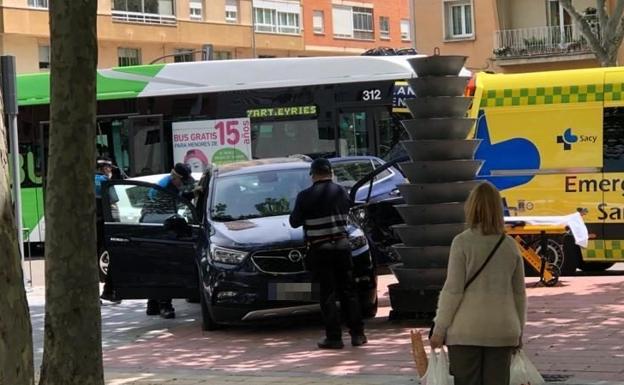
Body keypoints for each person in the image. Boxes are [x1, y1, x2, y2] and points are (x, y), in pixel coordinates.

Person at [429, 182, 527, 385]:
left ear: (471, 208)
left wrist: (439, 329)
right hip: (503, 330)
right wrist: (519, 331)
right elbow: (519, 294)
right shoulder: (510, 246)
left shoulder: (462, 242)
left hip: (465, 332)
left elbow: (453, 290)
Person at [289, 158, 367, 349]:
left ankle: (334, 337)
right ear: (331, 173)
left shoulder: (304, 196)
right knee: (348, 291)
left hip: (319, 249)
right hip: (342, 246)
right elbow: (349, 210)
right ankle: (358, 334)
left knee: (327, 294)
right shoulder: (341, 192)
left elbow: (294, 222)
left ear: (312, 174)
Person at [146, 163, 195, 319]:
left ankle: (152, 305)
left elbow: (179, 198)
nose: (184, 184)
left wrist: (193, 193)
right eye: (183, 181)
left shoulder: (170, 184)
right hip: (158, 227)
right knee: (164, 267)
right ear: (176, 177)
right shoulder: (165, 187)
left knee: (156, 267)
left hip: (157, 225)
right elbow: (169, 207)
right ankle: (164, 306)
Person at [95, 156, 121, 304]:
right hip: (104, 224)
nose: (110, 170)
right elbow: (114, 200)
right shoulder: (105, 182)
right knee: (114, 256)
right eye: (108, 168)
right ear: (103, 168)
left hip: (91, 225)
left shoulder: (88, 180)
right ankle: (110, 291)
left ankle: (95, 294)